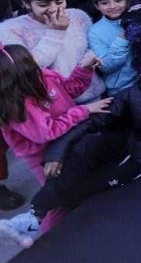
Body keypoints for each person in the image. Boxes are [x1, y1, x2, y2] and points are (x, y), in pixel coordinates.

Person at [0, 51, 141, 248]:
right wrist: (56, 153)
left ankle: (51, 234)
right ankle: (34, 216)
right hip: (128, 141)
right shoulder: (133, 93)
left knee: (95, 184)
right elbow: (94, 121)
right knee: (84, 146)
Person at [0, 43, 109, 239]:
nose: (35, 61)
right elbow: (46, 132)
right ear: (21, 72)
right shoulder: (16, 105)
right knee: (56, 200)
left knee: (76, 185)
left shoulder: (44, 76)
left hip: (69, 139)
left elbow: (69, 89)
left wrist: (83, 70)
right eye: (29, 60)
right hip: (43, 156)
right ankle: (50, 243)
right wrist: (84, 111)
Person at [0, 0, 105, 103]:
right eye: (43, 4)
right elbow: (28, 68)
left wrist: (89, 61)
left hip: (93, 94)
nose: (53, 8)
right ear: (26, 4)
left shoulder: (78, 16)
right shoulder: (10, 29)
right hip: (54, 104)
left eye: (59, 2)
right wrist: (55, 32)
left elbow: (92, 47)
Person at [87, 0, 137, 97]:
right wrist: (122, 40)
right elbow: (105, 66)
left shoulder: (138, 19)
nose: (112, 6)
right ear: (97, 6)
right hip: (121, 88)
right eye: (105, 3)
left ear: (128, 0)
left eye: (118, 0)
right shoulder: (95, 31)